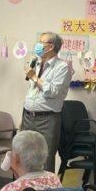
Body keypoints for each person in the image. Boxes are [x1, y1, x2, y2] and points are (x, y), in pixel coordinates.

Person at [21, 33, 72, 172]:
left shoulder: (62, 67)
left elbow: (53, 91)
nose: (37, 45)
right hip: (27, 115)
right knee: (23, 155)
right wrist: (34, 76)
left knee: (45, 157)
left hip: (47, 119)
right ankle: (24, 190)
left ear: (51, 46)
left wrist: (34, 77)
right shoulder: (37, 63)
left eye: (41, 42)